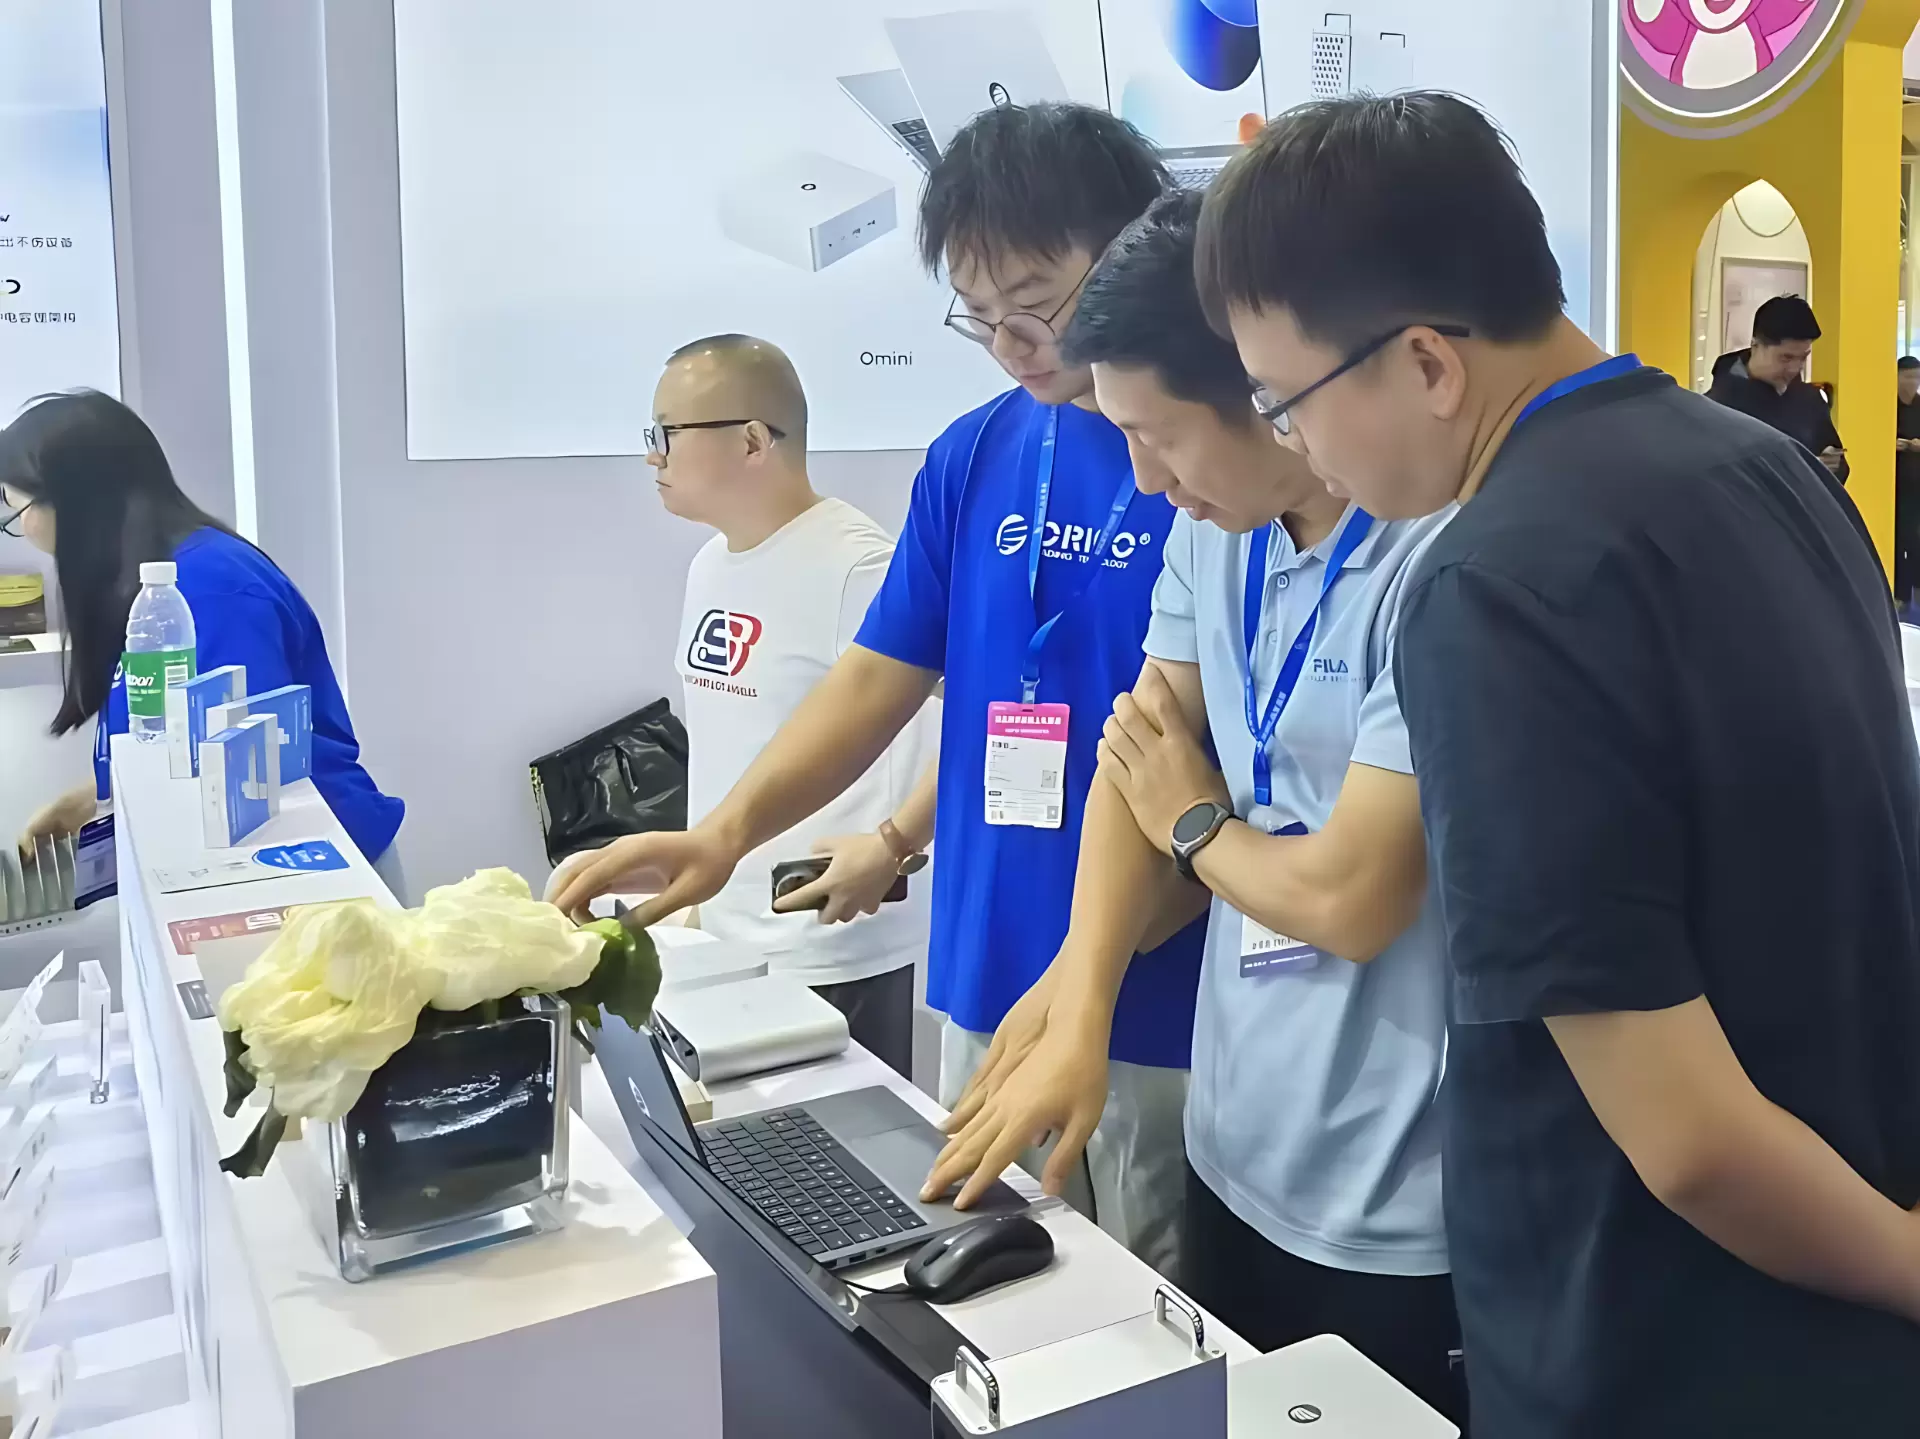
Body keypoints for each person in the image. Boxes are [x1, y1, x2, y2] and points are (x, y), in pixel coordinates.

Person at [1195, 91, 1920, 1437]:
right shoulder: (1771, 468)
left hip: (1666, 1348)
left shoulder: (1491, 586)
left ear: (1427, 362)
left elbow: (1686, 1136)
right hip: (1846, 1298)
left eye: (1286, 402)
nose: (1294, 443)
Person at [555, 103, 1205, 1273]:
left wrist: (1089, 979)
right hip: (986, 960)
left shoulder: (1206, 455)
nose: (1011, 343)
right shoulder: (974, 453)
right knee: (992, 1278)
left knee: (1150, 1296)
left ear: (1134, 248)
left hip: (1160, 995)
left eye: (1037, 302)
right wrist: (724, 835)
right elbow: (875, 677)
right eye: (980, 315)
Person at [922, 191, 1462, 1420]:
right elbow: (1138, 752)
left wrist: (1198, 825)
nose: (1148, 480)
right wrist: (1080, 999)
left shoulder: (1430, 554)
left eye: (1161, 438)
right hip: (1235, 1139)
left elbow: (1353, 899)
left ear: (1266, 393)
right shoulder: (1220, 531)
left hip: (1395, 1187)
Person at [640, 333, 940, 1075]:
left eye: (667, 434)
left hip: (827, 939)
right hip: (725, 927)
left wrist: (893, 844)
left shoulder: (858, 564)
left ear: (751, 440)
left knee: (841, 1147)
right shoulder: (711, 564)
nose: (653, 456)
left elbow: (978, 715)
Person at [2, 391, 404, 878]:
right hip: (268, 863)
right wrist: (90, 800)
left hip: (314, 869)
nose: (23, 528)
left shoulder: (209, 592)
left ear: (75, 500)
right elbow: (181, 743)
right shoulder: (153, 589)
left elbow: (248, 770)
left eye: (16, 510)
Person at [1707, 293, 1847, 481]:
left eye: (1803, 357)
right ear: (1755, 345)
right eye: (1786, 358)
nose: (1795, 368)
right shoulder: (1716, 408)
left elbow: (1838, 465)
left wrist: (1832, 467)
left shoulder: (1810, 400)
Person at [1895, 355, 1920, 611]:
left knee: (1915, 539)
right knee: (1899, 538)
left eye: (1916, 377)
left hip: (1917, 484)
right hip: (1894, 484)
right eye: (1907, 376)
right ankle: (1899, 593)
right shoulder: (1887, 405)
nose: (1912, 383)